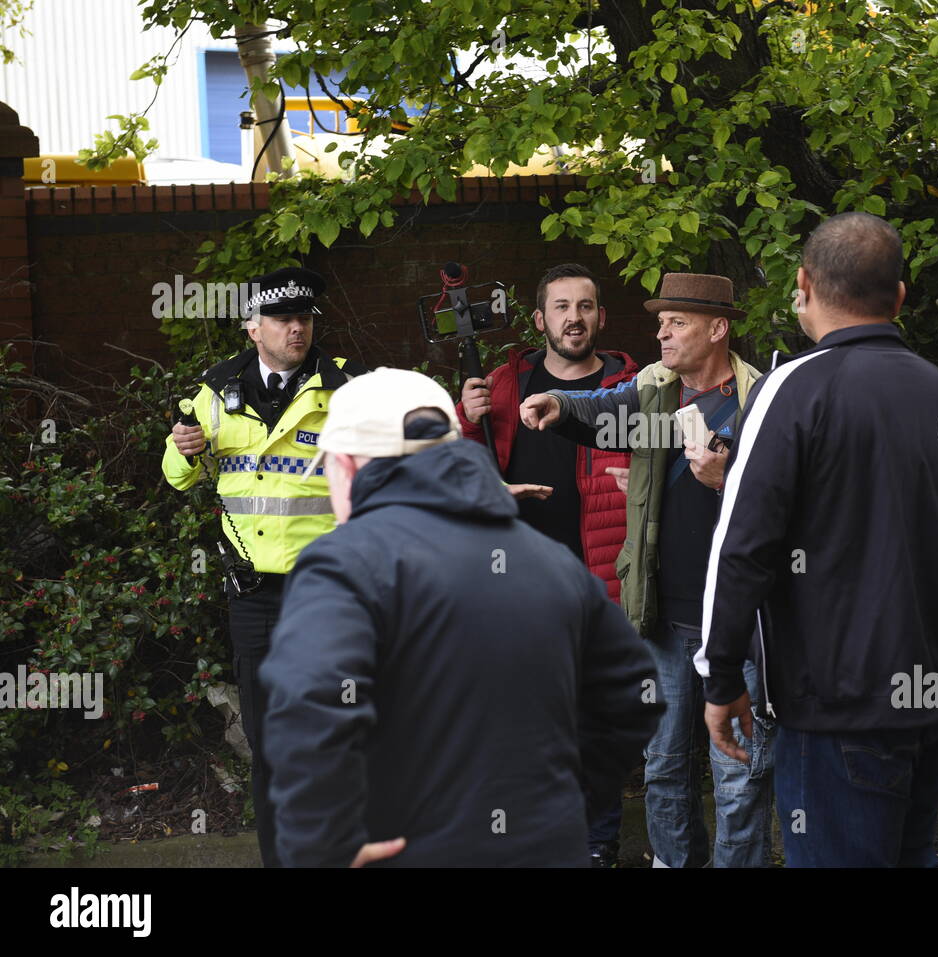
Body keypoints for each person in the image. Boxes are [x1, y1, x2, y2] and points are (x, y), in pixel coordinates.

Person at [258, 368, 663, 867]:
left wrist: (319, 845)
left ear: (348, 464)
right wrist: (561, 801)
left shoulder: (344, 564)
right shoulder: (549, 560)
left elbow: (309, 714)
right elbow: (634, 695)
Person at [694, 213, 938, 867]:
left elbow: (740, 545)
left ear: (803, 284)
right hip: (936, 693)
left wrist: (718, 676)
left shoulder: (790, 390)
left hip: (842, 702)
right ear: (900, 296)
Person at [521, 273, 775, 868]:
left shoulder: (761, 401)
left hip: (735, 625)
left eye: (677, 321)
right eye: (660, 320)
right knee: (663, 768)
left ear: (718, 329)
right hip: (662, 617)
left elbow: (794, 503)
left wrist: (726, 480)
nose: (661, 332)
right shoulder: (656, 390)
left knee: (738, 773)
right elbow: (602, 410)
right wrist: (559, 405)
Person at [162, 266, 366, 867]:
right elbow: (178, 480)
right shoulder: (213, 393)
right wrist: (183, 452)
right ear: (253, 327)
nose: (297, 328)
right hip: (253, 596)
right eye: (283, 319)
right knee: (269, 741)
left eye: (304, 318)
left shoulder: (343, 391)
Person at [457, 263, 638, 865]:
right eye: (561, 307)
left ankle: (597, 842)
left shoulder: (632, 386)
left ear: (601, 317)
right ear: (540, 321)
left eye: (585, 306)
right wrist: (466, 419)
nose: (574, 318)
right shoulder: (506, 388)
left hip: (602, 579)